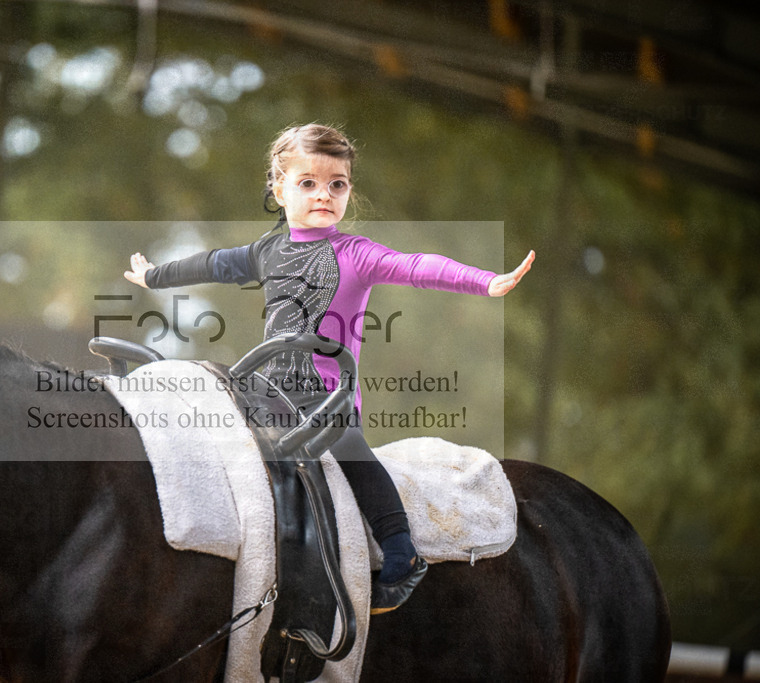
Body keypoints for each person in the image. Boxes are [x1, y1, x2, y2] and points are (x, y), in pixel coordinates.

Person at [124, 123, 535, 613]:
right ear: (279, 189)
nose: (324, 194)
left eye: (336, 184)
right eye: (308, 183)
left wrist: (485, 281)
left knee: (348, 445)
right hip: (264, 388)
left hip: (326, 396)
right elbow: (213, 264)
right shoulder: (265, 251)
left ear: (348, 192)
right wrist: (155, 276)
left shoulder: (356, 254)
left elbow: (416, 266)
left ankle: (402, 552)